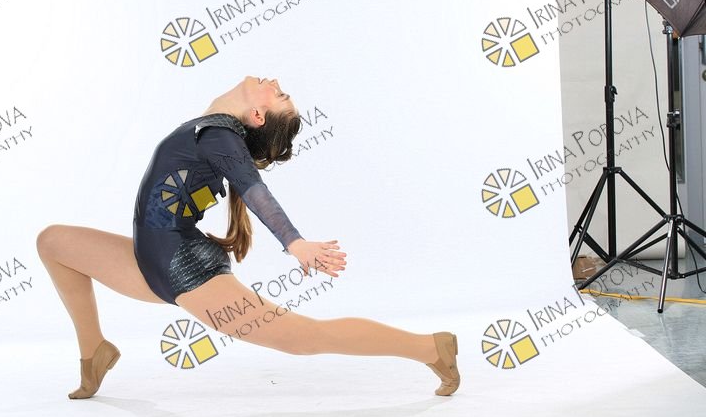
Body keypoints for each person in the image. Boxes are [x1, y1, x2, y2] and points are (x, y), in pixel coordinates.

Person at [36, 76, 459, 399]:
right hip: (150, 263)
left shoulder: (220, 137)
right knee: (53, 242)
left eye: (280, 95)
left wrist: (294, 242)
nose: (274, 83)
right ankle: (95, 352)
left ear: (257, 116)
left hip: (187, 271)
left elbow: (254, 189)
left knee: (305, 338)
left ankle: (431, 348)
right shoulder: (211, 129)